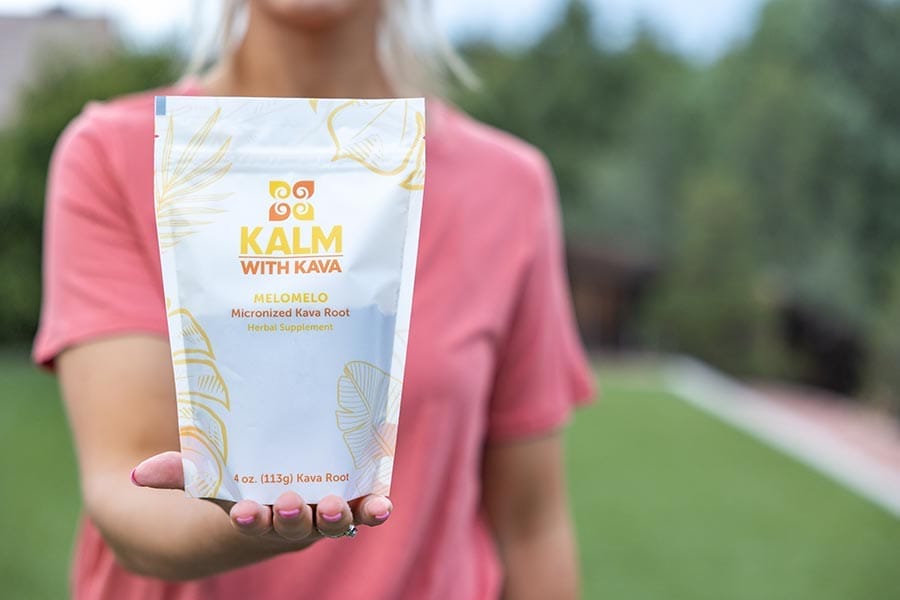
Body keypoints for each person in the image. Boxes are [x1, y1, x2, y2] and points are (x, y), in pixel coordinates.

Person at [33, 0, 595, 598]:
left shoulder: (507, 187)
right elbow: (125, 493)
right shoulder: (116, 156)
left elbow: (532, 528)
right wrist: (256, 525)